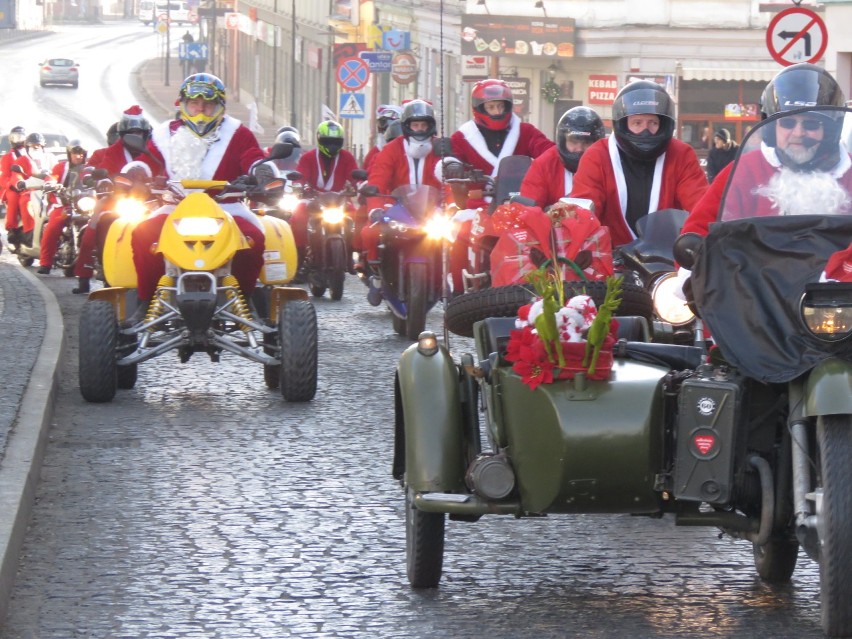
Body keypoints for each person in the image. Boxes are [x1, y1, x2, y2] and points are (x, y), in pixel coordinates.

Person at [129, 73, 267, 317]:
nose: (200, 110)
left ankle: (245, 300)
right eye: (195, 103)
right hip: (175, 208)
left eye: (207, 104)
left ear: (219, 106)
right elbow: (147, 161)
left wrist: (262, 172)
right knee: (142, 234)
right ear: (183, 104)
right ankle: (145, 301)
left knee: (253, 238)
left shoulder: (238, 133)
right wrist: (136, 174)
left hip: (226, 207)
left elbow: (253, 157)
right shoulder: (163, 134)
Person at [682, 63, 848, 237]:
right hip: (754, 264)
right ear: (772, 129)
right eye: (787, 123)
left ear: (829, 131)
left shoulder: (848, 170)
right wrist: (692, 250)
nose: (798, 133)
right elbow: (697, 228)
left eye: (811, 124)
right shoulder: (743, 170)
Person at [440, 79, 554, 292]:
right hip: (477, 204)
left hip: (518, 204)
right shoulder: (463, 137)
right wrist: (452, 165)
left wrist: (559, 156)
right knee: (461, 231)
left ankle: (541, 281)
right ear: (479, 108)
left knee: (543, 231)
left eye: (500, 106)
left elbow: (547, 151)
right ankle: (458, 287)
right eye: (491, 107)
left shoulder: (526, 132)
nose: (496, 111)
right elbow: (449, 160)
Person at [570, 79, 708, 247]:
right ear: (623, 124)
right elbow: (585, 208)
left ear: (664, 124)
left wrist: (707, 235)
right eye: (637, 123)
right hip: (612, 258)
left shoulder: (681, 154)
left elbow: (701, 205)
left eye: (653, 123)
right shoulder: (597, 156)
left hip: (667, 258)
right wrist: (579, 240)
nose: (645, 131)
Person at [359, 99, 445, 284]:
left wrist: (452, 206)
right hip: (397, 205)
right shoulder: (391, 149)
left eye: (424, 125)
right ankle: (377, 270)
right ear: (407, 126)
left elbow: (450, 180)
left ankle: (453, 283)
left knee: (456, 238)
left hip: (432, 208)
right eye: (415, 125)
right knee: (371, 232)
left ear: (431, 126)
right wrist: (375, 207)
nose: (420, 129)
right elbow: (378, 178)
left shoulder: (442, 148)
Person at [72, 107, 152, 294]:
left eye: (139, 132)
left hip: (147, 201)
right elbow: (100, 170)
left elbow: (161, 168)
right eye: (131, 132)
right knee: (93, 228)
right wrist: (102, 182)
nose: (135, 136)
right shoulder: (110, 152)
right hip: (116, 199)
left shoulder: (152, 150)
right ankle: (86, 275)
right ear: (122, 134)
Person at [291, 120, 360, 265]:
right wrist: (298, 186)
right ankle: (299, 253)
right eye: (327, 141)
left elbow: (354, 175)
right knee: (298, 215)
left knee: (355, 215)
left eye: (335, 142)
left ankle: (350, 253)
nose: (331, 145)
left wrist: (359, 186)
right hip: (313, 197)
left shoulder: (347, 157)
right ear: (319, 140)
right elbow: (300, 175)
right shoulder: (308, 157)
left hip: (339, 199)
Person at [520, 106, 606, 208]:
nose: (579, 148)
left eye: (586, 143)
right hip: (552, 223)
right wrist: (552, 213)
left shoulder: (608, 166)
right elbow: (527, 211)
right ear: (562, 141)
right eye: (574, 142)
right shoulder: (544, 165)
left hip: (597, 223)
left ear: (596, 143)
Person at [37, 139, 89, 274]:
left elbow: (96, 179)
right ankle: (45, 262)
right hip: (64, 204)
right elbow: (52, 177)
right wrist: (51, 183)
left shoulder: (88, 168)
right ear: (69, 154)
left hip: (85, 206)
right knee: (53, 227)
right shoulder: (61, 167)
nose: (78, 156)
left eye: (81, 153)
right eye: (75, 153)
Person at [1, 126, 28, 250]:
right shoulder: (7, 157)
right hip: (13, 187)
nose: (19, 140)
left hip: (30, 184)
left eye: (21, 137)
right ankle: (12, 228)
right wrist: (11, 185)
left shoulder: (29, 154)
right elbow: (4, 176)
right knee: (13, 200)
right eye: (16, 137)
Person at [362, 104, 402, 173]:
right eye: (383, 124)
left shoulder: (408, 152)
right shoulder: (374, 154)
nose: (388, 130)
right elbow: (364, 177)